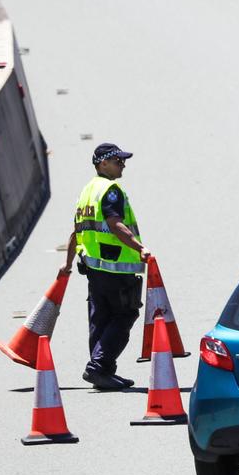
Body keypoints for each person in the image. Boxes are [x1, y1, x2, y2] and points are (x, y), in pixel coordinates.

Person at [60, 143, 149, 390]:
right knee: (124, 314)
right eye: (118, 160)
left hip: (94, 268)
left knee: (100, 318)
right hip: (115, 266)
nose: (123, 164)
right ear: (103, 164)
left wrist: (67, 264)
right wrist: (139, 247)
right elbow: (115, 223)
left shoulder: (87, 191)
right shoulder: (111, 190)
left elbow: (76, 231)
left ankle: (104, 372)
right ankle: (98, 367)